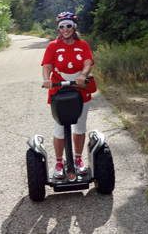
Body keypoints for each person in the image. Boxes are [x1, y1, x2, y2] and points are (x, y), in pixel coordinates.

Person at [41, 11, 94, 179]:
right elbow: (47, 65)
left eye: (68, 26)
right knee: (59, 128)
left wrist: (83, 75)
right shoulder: (53, 46)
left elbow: (88, 62)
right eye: (62, 26)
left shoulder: (83, 45)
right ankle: (58, 162)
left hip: (80, 91)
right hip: (58, 91)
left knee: (79, 127)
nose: (65, 29)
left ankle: (78, 160)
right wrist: (46, 79)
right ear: (58, 28)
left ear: (74, 27)